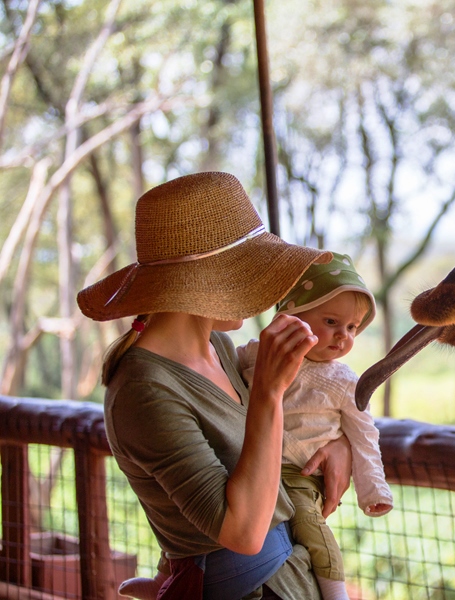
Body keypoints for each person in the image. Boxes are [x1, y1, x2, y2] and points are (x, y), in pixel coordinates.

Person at [77, 171, 352, 600]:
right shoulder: (143, 388)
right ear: (212, 277)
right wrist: (267, 393)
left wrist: (339, 443)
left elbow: (263, 445)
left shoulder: (218, 345)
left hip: (291, 576)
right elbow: (242, 533)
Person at [239, 253, 393, 600]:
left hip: (301, 476)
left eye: (352, 328)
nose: (343, 337)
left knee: (309, 524)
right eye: (331, 322)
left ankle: (335, 591)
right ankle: (169, 575)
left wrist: (373, 490)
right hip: (252, 463)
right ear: (290, 316)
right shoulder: (257, 353)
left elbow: (364, 436)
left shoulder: (343, 381)